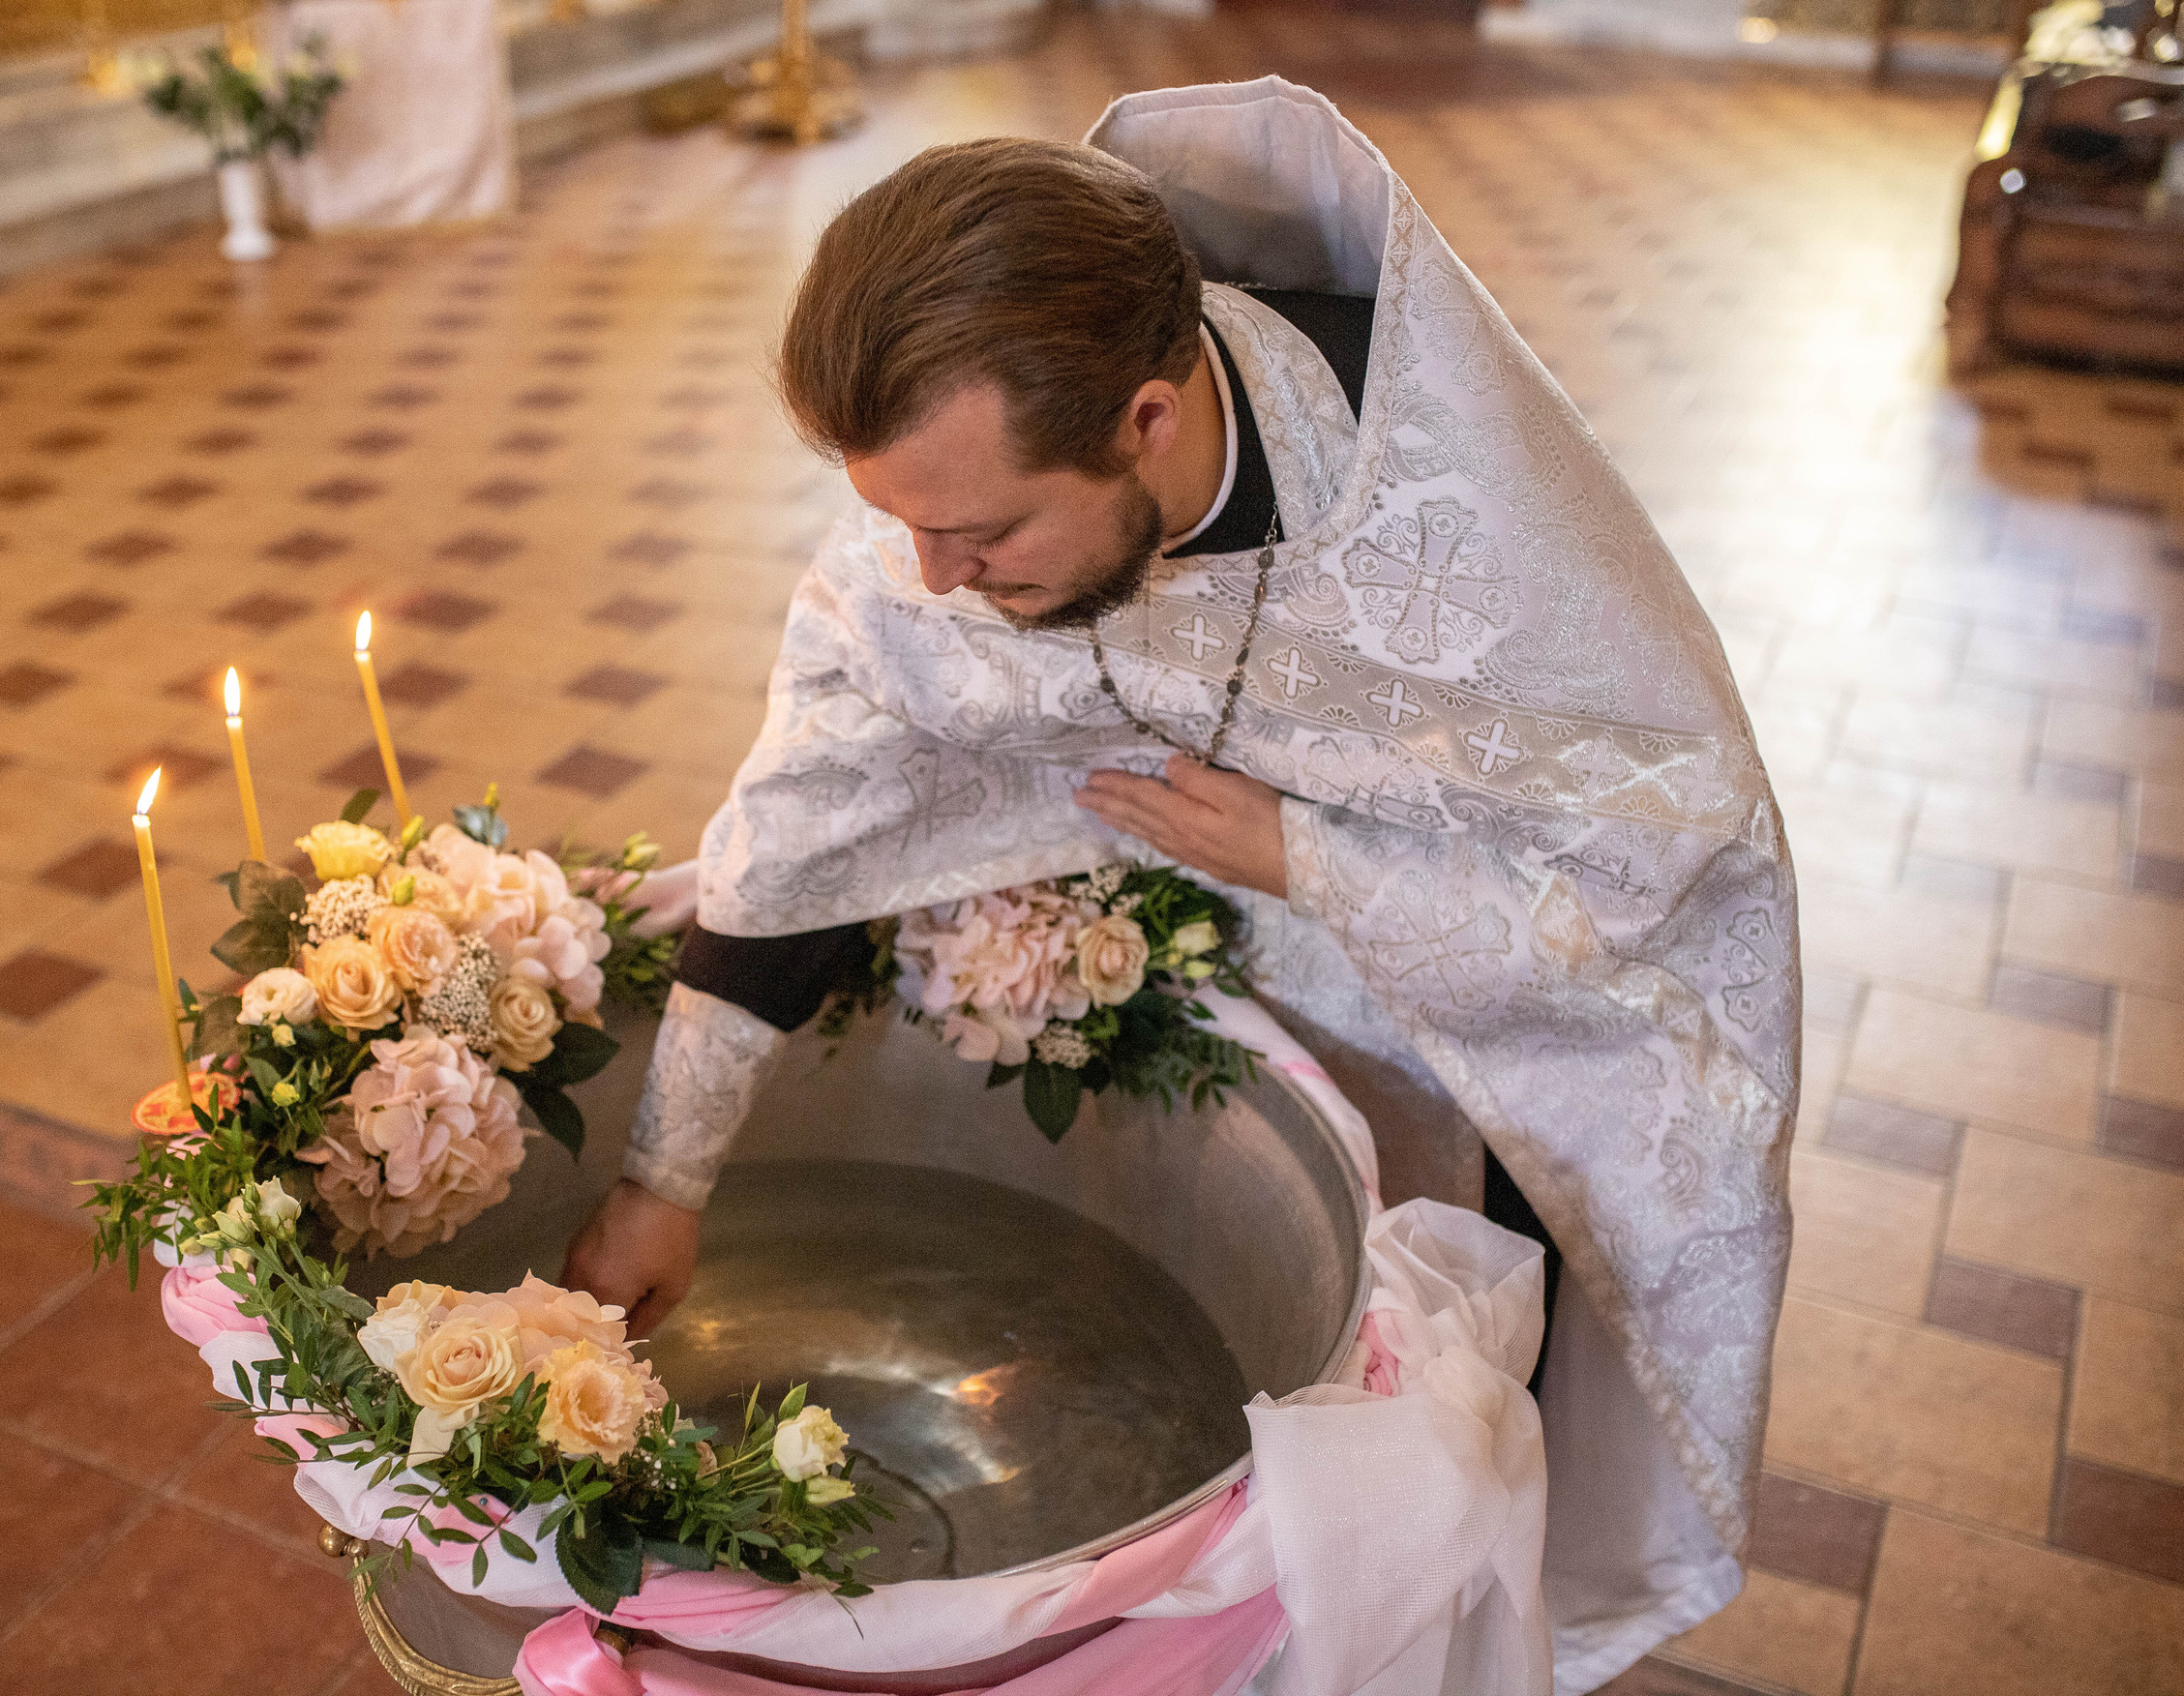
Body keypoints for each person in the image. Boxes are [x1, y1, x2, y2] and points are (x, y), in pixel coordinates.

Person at [565, 78, 1797, 1692]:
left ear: (1150, 417)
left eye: (984, 530)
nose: (934, 579)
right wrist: (667, 1177)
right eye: (903, 524)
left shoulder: (1458, 517)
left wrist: (1303, 852)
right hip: (1221, 976)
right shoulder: (966, 500)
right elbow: (810, 818)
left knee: (1443, 1441)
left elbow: (1668, 855)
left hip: (1464, 1036)